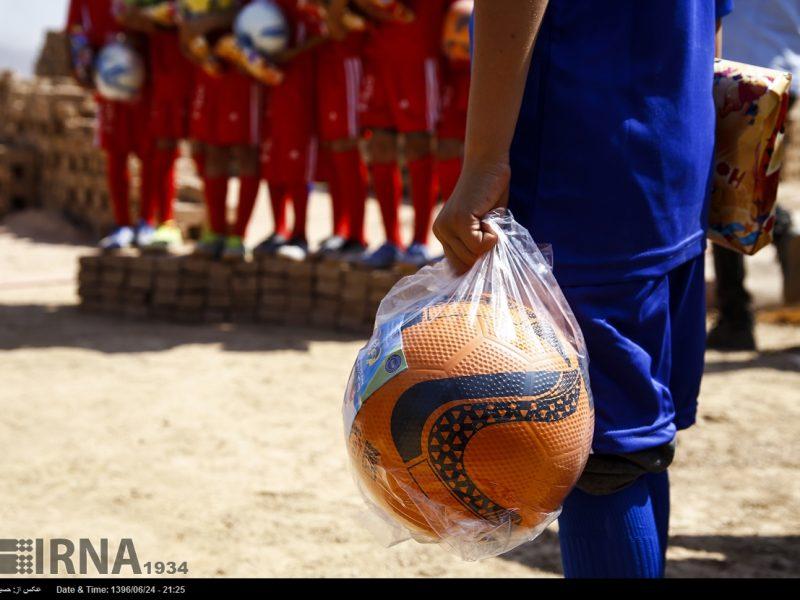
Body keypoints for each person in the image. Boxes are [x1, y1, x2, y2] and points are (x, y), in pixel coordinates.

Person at [433, 0, 733, 578]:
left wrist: (483, 163)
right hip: (674, 156)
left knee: (600, 450)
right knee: (638, 442)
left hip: (583, 165)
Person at [707, 0, 799, 351]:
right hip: (783, 70)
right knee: (748, 185)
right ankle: (783, 228)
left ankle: (736, 317)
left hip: (737, 71)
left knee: (727, 188)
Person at [358, 0, 453, 268]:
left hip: (418, 52)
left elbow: (405, 12)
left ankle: (419, 242)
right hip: (378, 56)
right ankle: (390, 240)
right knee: (379, 144)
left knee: (418, 143)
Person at [66, 0, 155, 251]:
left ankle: (147, 221)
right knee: (115, 153)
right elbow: (75, 32)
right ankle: (122, 223)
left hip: (145, 80)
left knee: (151, 152)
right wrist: (83, 67)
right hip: (107, 83)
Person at [179, 0, 263, 261]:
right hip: (208, 72)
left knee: (246, 151)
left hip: (243, 71)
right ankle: (215, 231)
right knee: (212, 151)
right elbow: (185, 24)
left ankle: (238, 235)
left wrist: (208, 21)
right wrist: (195, 44)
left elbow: (248, 12)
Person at [115, 0, 193, 253]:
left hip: (191, 64)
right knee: (160, 146)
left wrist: (152, 21)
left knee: (205, 149)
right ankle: (155, 222)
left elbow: (184, 15)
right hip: (157, 73)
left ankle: (213, 230)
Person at [254, 0, 323, 261]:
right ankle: (278, 229)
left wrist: (293, 52)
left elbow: (326, 32)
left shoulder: (306, 7)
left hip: (300, 89)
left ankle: (300, 235)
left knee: (298, 162)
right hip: (271, 87)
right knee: (272, 161)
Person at [312, 0, 369, 259]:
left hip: (349, 57)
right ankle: (341, 230)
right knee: (334, 148)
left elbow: (337, 23)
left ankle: (357, 234)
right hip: (329, 59)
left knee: (347, 145)